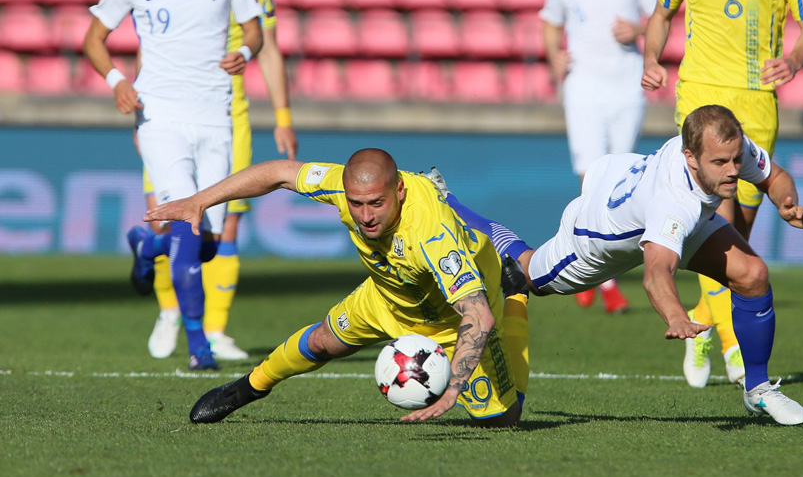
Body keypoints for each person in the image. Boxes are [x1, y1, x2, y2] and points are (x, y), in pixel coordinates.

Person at [430, 105, 803, 426]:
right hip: (595, 235)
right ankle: (449, 203)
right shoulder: (674, 203)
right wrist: (676, 316)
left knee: (752, 274)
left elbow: (775, 176)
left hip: (641, 195)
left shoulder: (727, 149)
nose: (733, 170)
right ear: (690, 157)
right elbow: (655, 275)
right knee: (526, 273)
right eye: (721, 162)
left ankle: (759, 390)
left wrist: (786, 203)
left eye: (736, 159)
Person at [143, 149, 530, 427]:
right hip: (388, 295)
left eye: (376, 203)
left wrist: (453, 388)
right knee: (323, 341)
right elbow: (279, 172)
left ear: (399, 191)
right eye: (356, 204)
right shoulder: (343, 188)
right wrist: (200, 201)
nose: (365, 216)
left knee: (503, 418)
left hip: (450, 317)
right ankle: (246, 389)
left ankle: (516, 295)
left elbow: (477, 314)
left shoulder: (431, 234)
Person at [641, 0, 803, 388]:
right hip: (699, 105)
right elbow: (661, 15)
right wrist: (653, 58)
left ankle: (708, 319)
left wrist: (794, 60)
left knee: (734, 236)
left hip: (757, 108)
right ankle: (730, 349)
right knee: (715, 217)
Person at [82, 0, 263, 371]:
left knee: (207, 244)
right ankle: (199, 346)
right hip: (159, 118)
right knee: (188, 225)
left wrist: (245, 51)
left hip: (216, 119)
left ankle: (146, 243)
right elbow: (93, 39)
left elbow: (255, 30)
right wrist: (118, 81)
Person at [141, 0, 298, 363]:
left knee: (222, 228)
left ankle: (214, 329)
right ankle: (170, 311)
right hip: (169, 111)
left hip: (230, 119)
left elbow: (267, 51)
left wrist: (283, 116)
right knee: (169, 218)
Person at [540, 0, 658, 313]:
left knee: (622, 173)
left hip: (627, 84)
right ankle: (604, 281)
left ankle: (592, 270)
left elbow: (662, 16)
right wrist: (554, 54)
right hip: (584, 86)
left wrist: (640, 29)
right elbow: (550, 24)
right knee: (591, 176)